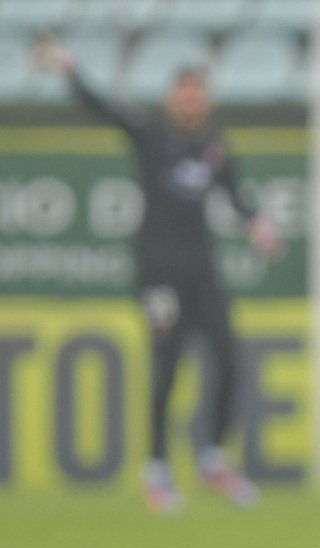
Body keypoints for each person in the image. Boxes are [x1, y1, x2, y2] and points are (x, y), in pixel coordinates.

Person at [40, 42, 283, 514]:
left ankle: (212, 458)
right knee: (167, 365)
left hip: (201, 269)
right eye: (184, 92)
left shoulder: (213, 146)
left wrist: (257, 224)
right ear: (172, 97)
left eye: (199, 92)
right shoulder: (151, 134)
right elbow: (104, 109)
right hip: (158, 272)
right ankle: (156, 469)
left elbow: (236, 195)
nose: (191, 100)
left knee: (229, 357)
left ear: (206, 99)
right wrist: (71, 68)